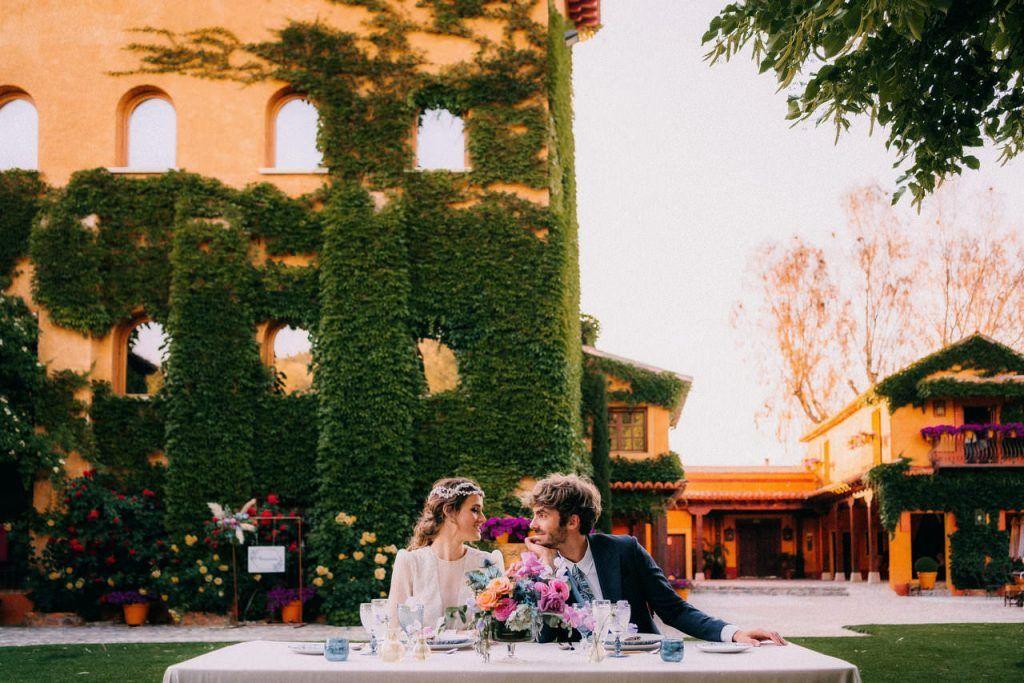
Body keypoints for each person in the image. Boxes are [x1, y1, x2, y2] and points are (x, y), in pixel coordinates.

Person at [524, 473, 786, 646]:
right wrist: (548, 571)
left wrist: (734, 634)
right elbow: (545, 640)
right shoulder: (537, 571)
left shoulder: (625, 551)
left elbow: (674, 609)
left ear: (572, 521)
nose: (533, 523)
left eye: (543, 515)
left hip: (640, 666)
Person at [388, 477, 504, 627]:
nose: (483, 518)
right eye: (475, 510)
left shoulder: (489, 563)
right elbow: (394, 630)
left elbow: (499, 629)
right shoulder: (410, 562)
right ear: (449, 511)